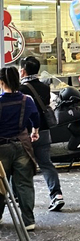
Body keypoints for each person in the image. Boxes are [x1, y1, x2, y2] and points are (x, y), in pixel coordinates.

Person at [20, 56, 63, 212]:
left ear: (23, 71)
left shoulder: (21, 89)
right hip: (44, 130)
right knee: (46, 164)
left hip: (26, 133)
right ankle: (57, 195)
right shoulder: (45, 87)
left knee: (22, 166)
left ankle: (20, 197)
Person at [0, 66, 40, 230]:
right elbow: (35, 118)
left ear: (1, 82)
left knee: (0, 185)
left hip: (1, 147)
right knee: (24, 184)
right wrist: (34, 132)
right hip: (22, 145)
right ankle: (28, 221)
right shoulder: (26, 100)